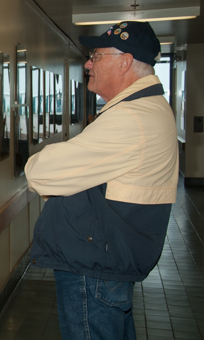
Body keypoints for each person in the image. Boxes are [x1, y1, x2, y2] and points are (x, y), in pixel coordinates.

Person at [25, 21, 178, 340]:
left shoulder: (132, 118)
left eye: (96, 55)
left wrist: (57, 165)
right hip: (106, 262)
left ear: (124, 61)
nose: (88, 63)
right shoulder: (146, 109)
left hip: (94, 270)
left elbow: (40, 172)